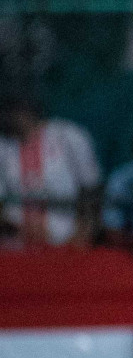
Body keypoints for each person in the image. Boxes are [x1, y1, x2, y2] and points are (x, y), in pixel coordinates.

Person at [0, 94, 100, 248]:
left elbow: (91, 187)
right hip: (14, 244)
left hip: (66, 240)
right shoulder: (4, 146)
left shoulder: (68, 135)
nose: (13, 117)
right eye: (9, 111)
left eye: (19, 110)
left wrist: (83, 232)